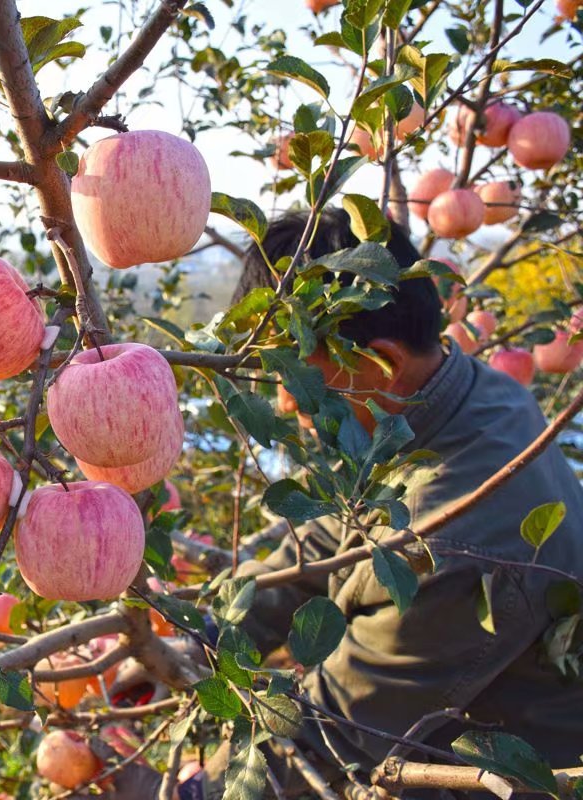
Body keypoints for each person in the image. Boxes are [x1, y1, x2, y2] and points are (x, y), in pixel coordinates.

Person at [87, 209, 583, 799]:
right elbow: (331, 543)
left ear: (382, 363)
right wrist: (205, 634)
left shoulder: (454, 545)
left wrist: (182, 791)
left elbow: (340, 727)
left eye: (300, 378)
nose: (289, 403)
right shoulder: (456, 396)